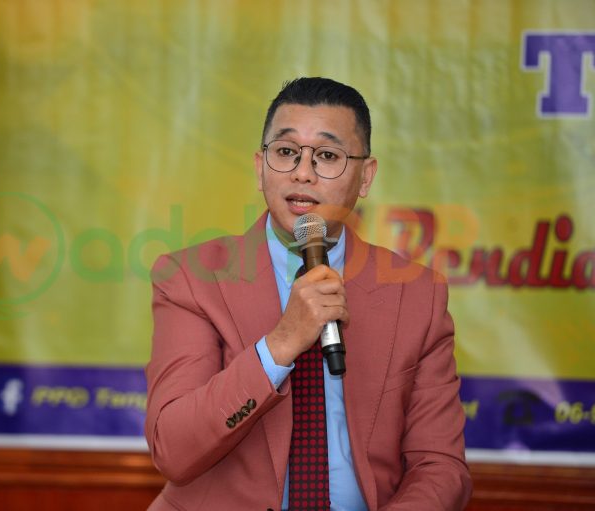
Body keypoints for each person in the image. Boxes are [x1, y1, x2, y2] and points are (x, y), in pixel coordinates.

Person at [144, 77, 472, 510]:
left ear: (366, 176)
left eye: (327, 156)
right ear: (260, 167)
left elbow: (440, 467)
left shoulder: (417, 295)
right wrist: (280, 344)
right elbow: (173, 450)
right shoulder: (192, 278)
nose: (302, 172)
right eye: (285, 152)